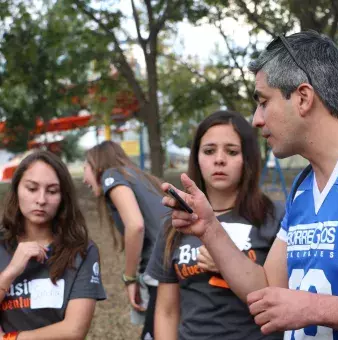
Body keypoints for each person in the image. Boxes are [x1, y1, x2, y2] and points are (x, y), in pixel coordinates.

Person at [161, 30, 338, 340]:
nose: (256, 119)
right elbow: (267, 288)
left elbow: (306, 306)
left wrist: (318, 309)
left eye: (263, 102)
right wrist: (209, 229)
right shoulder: (302, 189)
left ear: (303, 98)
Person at [146, 110, 284, 340]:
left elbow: (283, 298)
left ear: (247, 158)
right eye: (209, 151)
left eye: (231, 151)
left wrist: (227, 262)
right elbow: (167, 311)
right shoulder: (176, 224)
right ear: (197, 158)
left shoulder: (275, 217)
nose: (219, 159)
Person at [0, 150, 106, 339]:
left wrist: (11, 338)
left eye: (52, 191)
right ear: (16, 189)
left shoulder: (82, 251)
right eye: (32, 189)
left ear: (63, 198)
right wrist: (11, 271)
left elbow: (74, 331)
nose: (41, 200)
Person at [83, 141, 169, 340]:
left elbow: (135, 226)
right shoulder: (138, 176)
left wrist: (129, 278)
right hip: (174, 263)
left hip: (162, 269)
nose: (85, 178)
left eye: (85, 167)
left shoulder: (110, 175)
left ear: (97, 164)